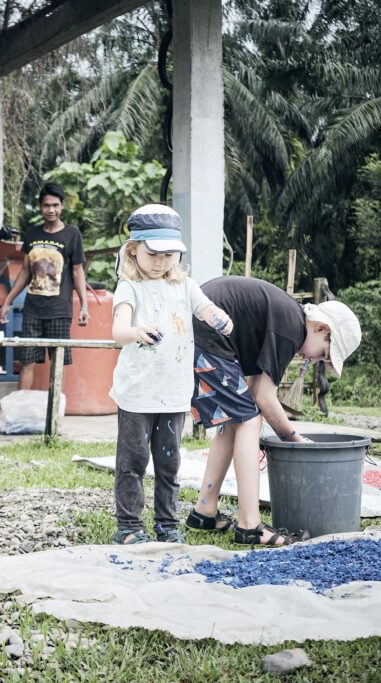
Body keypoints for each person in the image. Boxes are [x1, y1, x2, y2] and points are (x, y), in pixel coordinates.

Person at [185, 276, 362, 545]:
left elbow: (255, 387)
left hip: (201, 328)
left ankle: (205, 511)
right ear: (320, 327)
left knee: (237, 419)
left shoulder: (287, 321)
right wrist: (295, 439)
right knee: (249, 421)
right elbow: (264, 398)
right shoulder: (291, 329)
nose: (315, 360)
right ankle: (250, 525)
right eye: (324, 354)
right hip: (206, 328)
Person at [108, 204, 235, 545]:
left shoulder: (185, 285)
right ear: (133, 250)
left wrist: (219, 318)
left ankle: (167, 524)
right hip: (137, 394)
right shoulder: (129, 287)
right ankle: (129, 527)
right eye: (153, 254)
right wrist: (136, 332)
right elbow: (118, 330)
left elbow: (206, 308)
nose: (161, 262)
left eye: (169, 255)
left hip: (174, 392)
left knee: (169, 463)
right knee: (132, 462)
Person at [0, 183, 88, 390]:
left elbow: (77, 271)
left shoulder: (72, 234)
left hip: (59, 311)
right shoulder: (32, 235)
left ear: (62, 206)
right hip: (32, 310)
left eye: (55, 205)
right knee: (26, 362)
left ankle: (54, 410)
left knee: (57, 364)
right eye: (47, 205)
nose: (51, 210)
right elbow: (25, 271)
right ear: (40, 207)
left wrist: (84, 306)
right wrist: (7, 302)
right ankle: (21, 410)